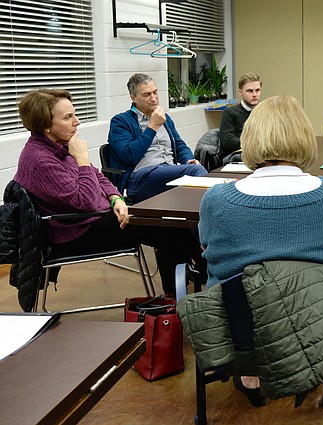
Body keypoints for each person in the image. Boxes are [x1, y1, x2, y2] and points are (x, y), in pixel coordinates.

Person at [198, 95, 323, 407]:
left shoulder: (217, 200)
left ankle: (251, 374)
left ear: (250, 139)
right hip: (318, 330)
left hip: (240, 336)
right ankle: (300, 366)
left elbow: (207, 249)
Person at [13, 89, 202, 295]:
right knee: (167, 225)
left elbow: (99, 177)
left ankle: (190, 282)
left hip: (95, 218)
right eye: (68, 117)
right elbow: (84, 202)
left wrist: (116, 199)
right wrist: (83, 161)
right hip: (75, 232)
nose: (77, 121)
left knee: (171, 225)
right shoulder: (40, 160)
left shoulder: (60, 146)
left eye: (74, 114)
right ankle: (184, 290)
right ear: (45, 126)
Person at [108, 73, 207, 203]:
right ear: (133, 98)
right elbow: (130, 155)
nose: (154, 98)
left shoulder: (165, 119)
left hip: (168, 171)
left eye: (155, 92)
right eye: (147, 95)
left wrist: (188, 160)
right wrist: (153, 126)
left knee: (198, 171)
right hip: (139, 179)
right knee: (196, 172)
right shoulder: (120, 122)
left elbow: (180, 145)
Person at [217, 72, 262, 159]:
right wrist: (257, 143)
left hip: (260, 155)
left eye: (257, 90)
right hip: (235, 156)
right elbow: (228, 142)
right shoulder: (230, 113)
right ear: (240, 92)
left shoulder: (265, 112)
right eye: (250, 91)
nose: (254, 95)